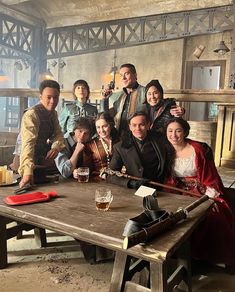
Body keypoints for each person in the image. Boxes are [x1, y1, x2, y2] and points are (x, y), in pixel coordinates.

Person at [165, 117, 235, 269]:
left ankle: (212, 259)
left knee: (212, 217)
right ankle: (183, 256)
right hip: (176, 191)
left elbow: (211, 178)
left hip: (202, 190)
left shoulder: (198, 149)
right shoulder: (165, 149)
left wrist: (209, 199)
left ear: (185, 132)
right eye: (170, 131)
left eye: (178, 131)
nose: (174, 135)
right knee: (174, 217)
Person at [18, 80, 65, 188]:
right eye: (48, 97)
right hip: (25, 159)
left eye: (55, 97)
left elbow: (58, 134)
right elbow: (28, 144)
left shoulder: (53, 114)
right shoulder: (31, 114)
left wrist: (55, 147)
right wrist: (27, 171)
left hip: (41, 159)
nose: (52, 101)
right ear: (41, 97)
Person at [107, 111, 172, 188]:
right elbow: (110, 175)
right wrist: (130, 183)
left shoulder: (161, 141)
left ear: (148, 125)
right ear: (130, 127)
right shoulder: (120, 147)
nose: (138, 128)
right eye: (134, 125)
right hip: (134, 189)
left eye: (141, 124)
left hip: (159, 188)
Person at [101, 63, 146, 135]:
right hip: (120, 137)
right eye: (121, 75)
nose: (123, 78)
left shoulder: (146, 92)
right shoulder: (119, 95)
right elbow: (106, 116)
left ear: (135, 75)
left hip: (139, 136)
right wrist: (104, 100)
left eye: (126, 74)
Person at [73, 111, 119, 179]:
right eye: (98, 127)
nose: (101, 130)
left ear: (111, 125)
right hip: (98, 181)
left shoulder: (120, 141)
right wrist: (76, 172)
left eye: (105, 126)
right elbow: (87, 169)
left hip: (119, 180)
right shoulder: (90, 145)